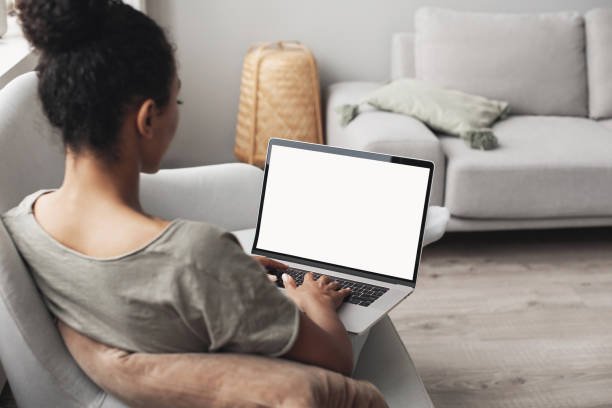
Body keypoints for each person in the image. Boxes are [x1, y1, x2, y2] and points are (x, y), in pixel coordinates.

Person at [2, 0, 353, 376]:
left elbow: (134, 279)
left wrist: (229, 279)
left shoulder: (25, 221)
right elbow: (337, 359)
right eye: (177, 99)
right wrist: (313, 301)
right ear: (148, 118)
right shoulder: (197, 256)